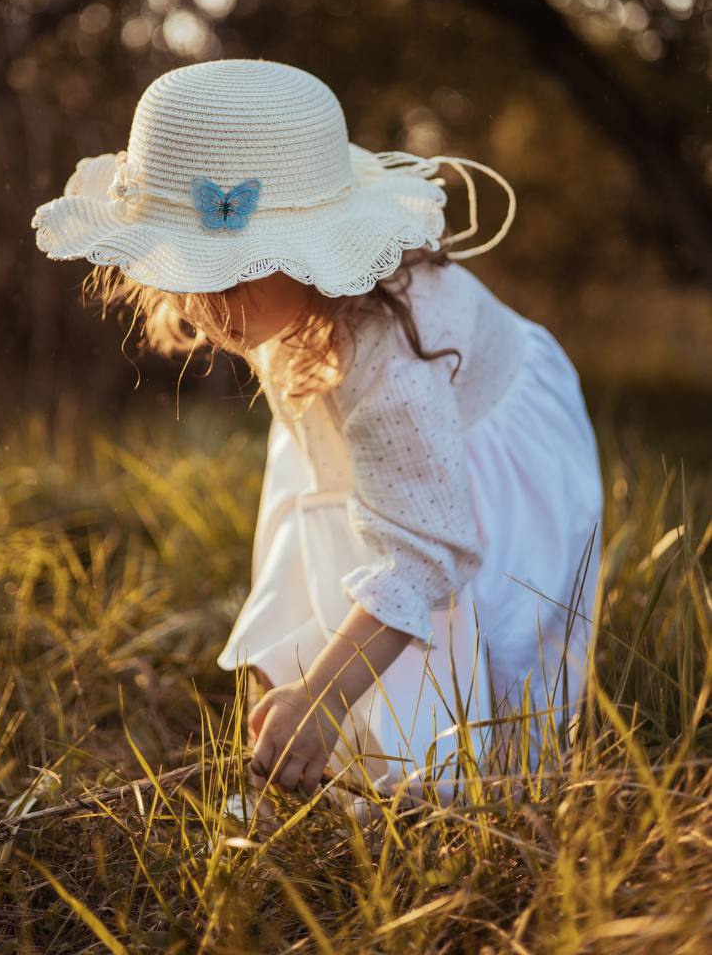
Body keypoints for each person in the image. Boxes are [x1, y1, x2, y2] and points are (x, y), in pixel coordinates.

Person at [31, 57, 603, 819]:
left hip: (471, 458)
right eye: (185, 269)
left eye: (236, 272)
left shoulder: (392, 367)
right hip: (376, 446)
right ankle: (323, 746)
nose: (207, 303)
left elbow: (426, 549)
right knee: (335, 532)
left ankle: (431, 781)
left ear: (315, 254)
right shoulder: (289, 303)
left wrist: (327, 695)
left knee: (457, 634)